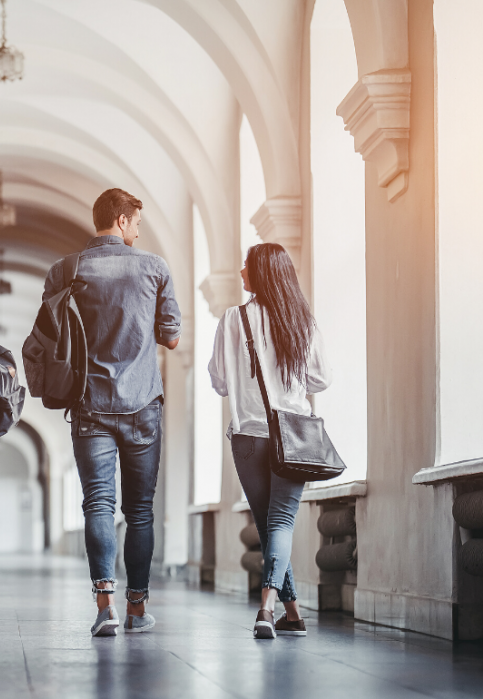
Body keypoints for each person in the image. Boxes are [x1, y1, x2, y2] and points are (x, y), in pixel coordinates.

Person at [42, 189, 181, 636]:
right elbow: (172, 337)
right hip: (142, 405)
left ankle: (106, 606)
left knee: (97, 504)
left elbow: (51, 335)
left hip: (89, 405)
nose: (138, 232)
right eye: (137, 223)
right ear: (121, 221)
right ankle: (137, 608)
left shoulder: (65, 270)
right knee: (139, 511)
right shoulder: (154, 267)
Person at [208, 242, 331, 639]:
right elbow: (321, 379)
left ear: (261, 273)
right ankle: (279, 610)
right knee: (277, 524)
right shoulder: (301, 321)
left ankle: (276, 609)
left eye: (246, 265)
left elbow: (221, 383)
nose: (241, 271)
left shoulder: (232, 319)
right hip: (293, 435)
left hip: (247, 437)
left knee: (268, 525)